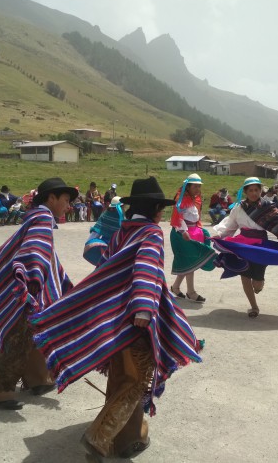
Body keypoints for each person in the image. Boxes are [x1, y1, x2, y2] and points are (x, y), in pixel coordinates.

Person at [31, 176, 202, 461]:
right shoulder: (150, 233)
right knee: (135, 382)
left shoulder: (124, 230)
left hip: (113, 319)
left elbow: (107, 265)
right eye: (160, 208)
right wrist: (144, 307)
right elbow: (147, 267)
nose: (161, 214)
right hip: (136, 320)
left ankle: (130, 436)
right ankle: (100, 436)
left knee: (122, 376)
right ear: (155, 209)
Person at [0, 177, 77, 409]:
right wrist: (31, 278)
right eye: (65, 199)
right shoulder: (42, 219)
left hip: (27, 287)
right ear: (51, 198)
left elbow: (43, 254)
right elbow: (35, 250)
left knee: (34, 334)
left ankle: (39, 379)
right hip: (24, 289)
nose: (68, 205)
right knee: (15, 336)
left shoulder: (39, 218)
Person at [212, 177, 278, 318]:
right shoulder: (238, 208)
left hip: (261, 245)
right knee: (244, 275)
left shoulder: (267, 207)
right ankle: (254, 307)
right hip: (243, 245)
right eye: (251, 190)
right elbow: (230, 226)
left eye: (256, 190)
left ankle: (259, 284)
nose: (254, 193)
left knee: (258, 283)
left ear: (260, 191)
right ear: (246, 192)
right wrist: (219, 236)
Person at [169, 173, 215, 302]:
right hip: (181, 233)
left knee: (189, 260)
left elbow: (195, 217)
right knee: (190, 261)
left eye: (199, 186)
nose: (197, 189)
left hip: (193, 232)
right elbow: (178, 217)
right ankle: (191, 292)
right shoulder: (181, 199)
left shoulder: (196, 199)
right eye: (195, 186)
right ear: (187, 187)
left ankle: (176, 287)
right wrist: (183, 230)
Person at [83, 195, 124, 265]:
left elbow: (95, 233)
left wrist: (90, 244)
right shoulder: (123, 218)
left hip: (105, 248)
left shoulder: (105, 215)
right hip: (118, 247)